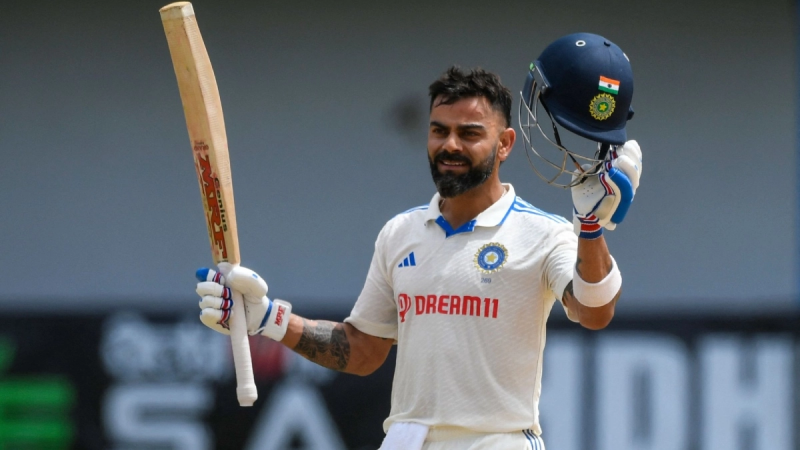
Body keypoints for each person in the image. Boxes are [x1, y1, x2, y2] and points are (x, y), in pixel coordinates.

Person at [195, 32, 642, 450]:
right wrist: (267, 317)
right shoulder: (400, 233)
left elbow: (594, 311)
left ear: (505, 144)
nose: (450, 145)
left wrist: (589, 225)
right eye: (439, 130)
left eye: (470, 133)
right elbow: (363, 350)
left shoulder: (543, 233)